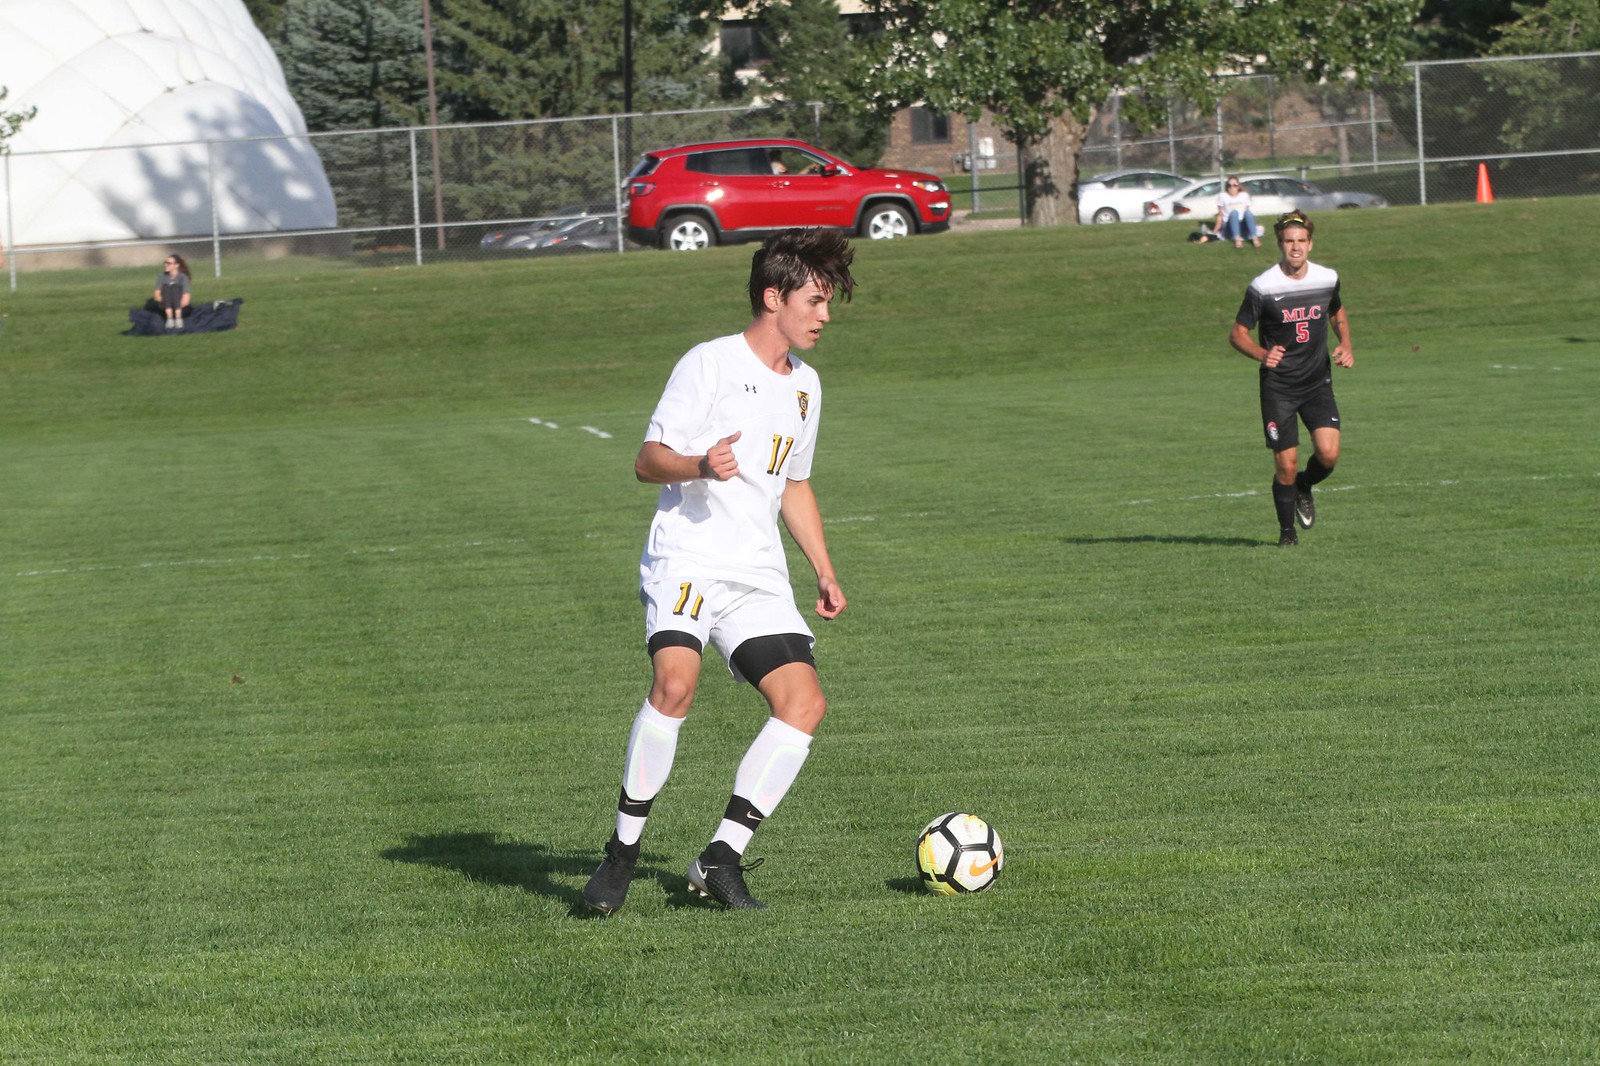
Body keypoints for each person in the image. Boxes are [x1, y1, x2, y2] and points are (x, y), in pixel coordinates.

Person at [582, 228, 856, 914]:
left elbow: (795, 484)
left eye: (829, 302)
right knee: (676, 685)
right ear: (774, 297)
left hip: (755, 573)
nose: (825, 315)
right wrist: (702, 464)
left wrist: (823, 569)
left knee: (805, 704)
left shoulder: (807, 388)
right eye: (815, 301)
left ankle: (719, 858)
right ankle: (620, 856)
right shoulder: (709, 363)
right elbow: (648, 460)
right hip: (688, 559)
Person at [1229, 210, 1354, 547]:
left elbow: (1336, 310)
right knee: (1286, 465)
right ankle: (1287, 535)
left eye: (1301, 241)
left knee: (1328, 456)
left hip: (1317, 384)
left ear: (1310, 245)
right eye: (1288, 241)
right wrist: (1261, 354)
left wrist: (1345, 343)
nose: (1295, 247)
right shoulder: (1263, 286)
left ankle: (1304, 485)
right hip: (1278, 388)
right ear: (1280, 245)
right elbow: (1238, 334)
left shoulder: (1327, 278)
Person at [1214, 177, 1261, 249]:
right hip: (1229, 225)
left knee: (1248, 213)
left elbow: (1247, 213)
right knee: (1234, 213)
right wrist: (1215, 231)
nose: (1232, 187)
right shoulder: (1223, 196)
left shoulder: (1244, 195)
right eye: (1229, 185)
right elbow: (1220, 215)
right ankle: (1237, 240)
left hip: (1242, 224)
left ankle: (1255, 239)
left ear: (1238, 186)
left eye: (1234, 185)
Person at [153, 254, 191, 328]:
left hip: (180, 307)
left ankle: (178, 319)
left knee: (175, 288)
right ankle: (169, 319)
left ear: (176, 265)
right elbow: (157, 296)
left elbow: (186, 300)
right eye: (165, 262)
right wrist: (166, 301)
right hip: (166, 306)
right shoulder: (161, 276)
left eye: (169, 263)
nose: (166, 265)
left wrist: (175, 303)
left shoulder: (183, 277)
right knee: (166, 287)